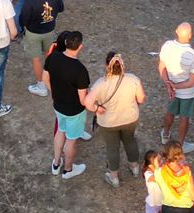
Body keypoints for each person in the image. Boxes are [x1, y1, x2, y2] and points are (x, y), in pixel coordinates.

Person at [90, 50, 146, 186]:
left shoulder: (100, 83)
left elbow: (87, 102)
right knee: (130, 141)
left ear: (106, 65)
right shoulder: (133, 79)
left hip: (108, 122)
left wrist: (97, 109)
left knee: (112, 147)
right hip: (130, 119)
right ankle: (135, 168)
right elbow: (141, 98)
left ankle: (114, 177)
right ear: (122, 66)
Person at [45, 31, 95, 179]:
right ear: (80, 46)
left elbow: (45, 78)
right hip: (74, 111)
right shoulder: (80, 70)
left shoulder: (53, 57)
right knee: (71, 140)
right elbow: (82, 100)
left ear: (65, 43)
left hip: (58, 105)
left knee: (60, 131)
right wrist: (96, 106)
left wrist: (57, 92)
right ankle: (68, 170)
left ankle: (56, 163)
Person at [158, 22, 194, 153]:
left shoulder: (167, 46)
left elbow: (161, 67)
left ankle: (165, 133)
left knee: (170, 111)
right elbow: (191, 82)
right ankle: (180, 144)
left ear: (176, 31)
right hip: (186, 92)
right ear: (190, 35)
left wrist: (169, 84)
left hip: (172, 87)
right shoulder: (193, 55)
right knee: (184, 117)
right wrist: (176, 86)